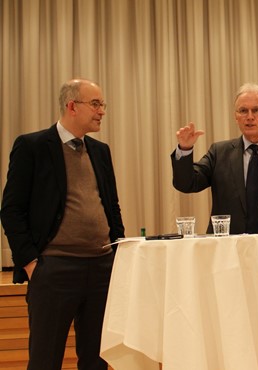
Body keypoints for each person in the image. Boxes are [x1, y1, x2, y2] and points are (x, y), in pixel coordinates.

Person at [1, 79, 125, 370]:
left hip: (101, 269)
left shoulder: (100, 150)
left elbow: (111, 207)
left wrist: (117, 252)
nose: (101, 111)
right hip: (55, 269)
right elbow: (11, 210)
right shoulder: (33, 146)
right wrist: (32, 263)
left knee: (97, 360)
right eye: (95, 104)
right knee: (46, 359)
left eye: (102, 104)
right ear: (72, 106)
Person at [170, 82, 258, 340]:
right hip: (227, 254)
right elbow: (187, 183)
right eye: (243, 110)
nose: (249, 116)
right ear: (235, 116)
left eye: (256, 110)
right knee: (231, 333)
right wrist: (185, 150)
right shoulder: (219, 152)